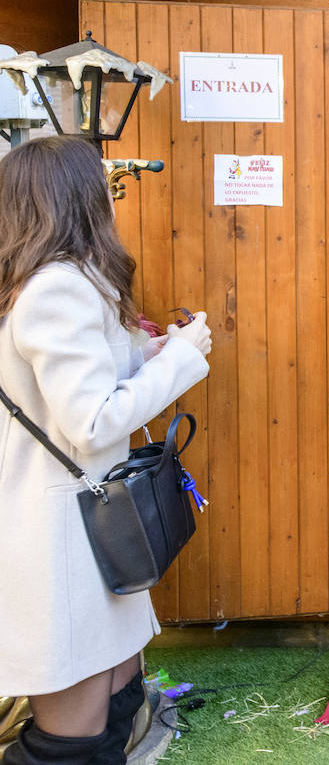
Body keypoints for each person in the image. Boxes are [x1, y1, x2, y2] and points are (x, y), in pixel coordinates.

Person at [0, 137, 212, 764]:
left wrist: (146, 353)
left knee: (109, 714)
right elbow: (90, 421)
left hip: (81, 529)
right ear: (77, 201)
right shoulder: (56, 288)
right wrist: (179, 361)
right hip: (65, 537)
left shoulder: (39, 282)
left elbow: (64, 383)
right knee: (73, 743)